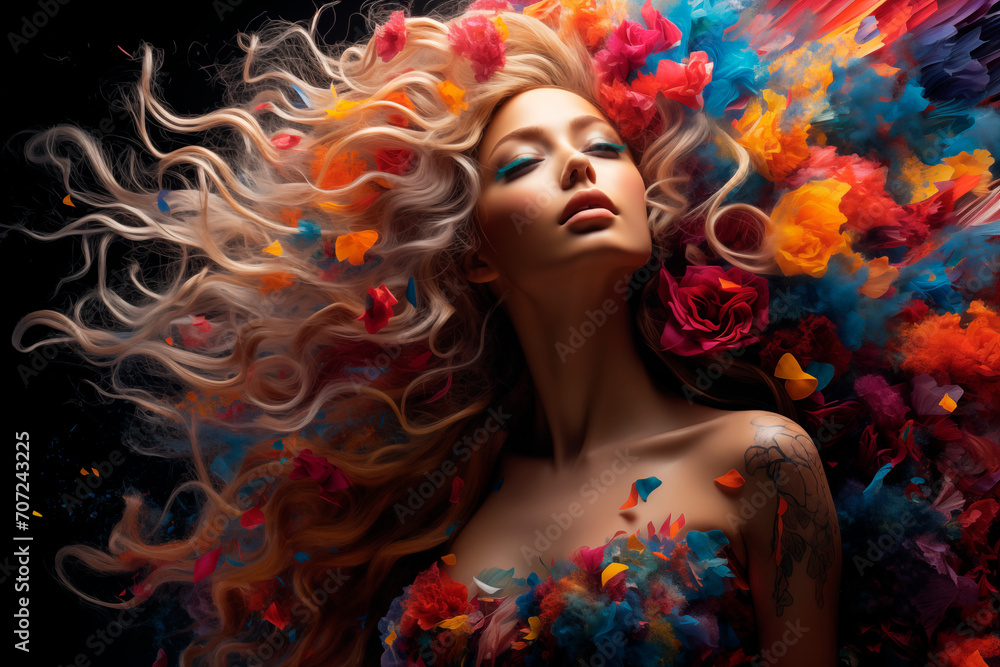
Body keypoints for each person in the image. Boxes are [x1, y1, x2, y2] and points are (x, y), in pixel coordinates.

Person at [12, 0, 1000, 666]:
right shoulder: (446, 512)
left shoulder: (755, 463)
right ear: (474, 250)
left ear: (649, 205)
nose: (578, 171)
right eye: (525, 160)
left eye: (601, 148)